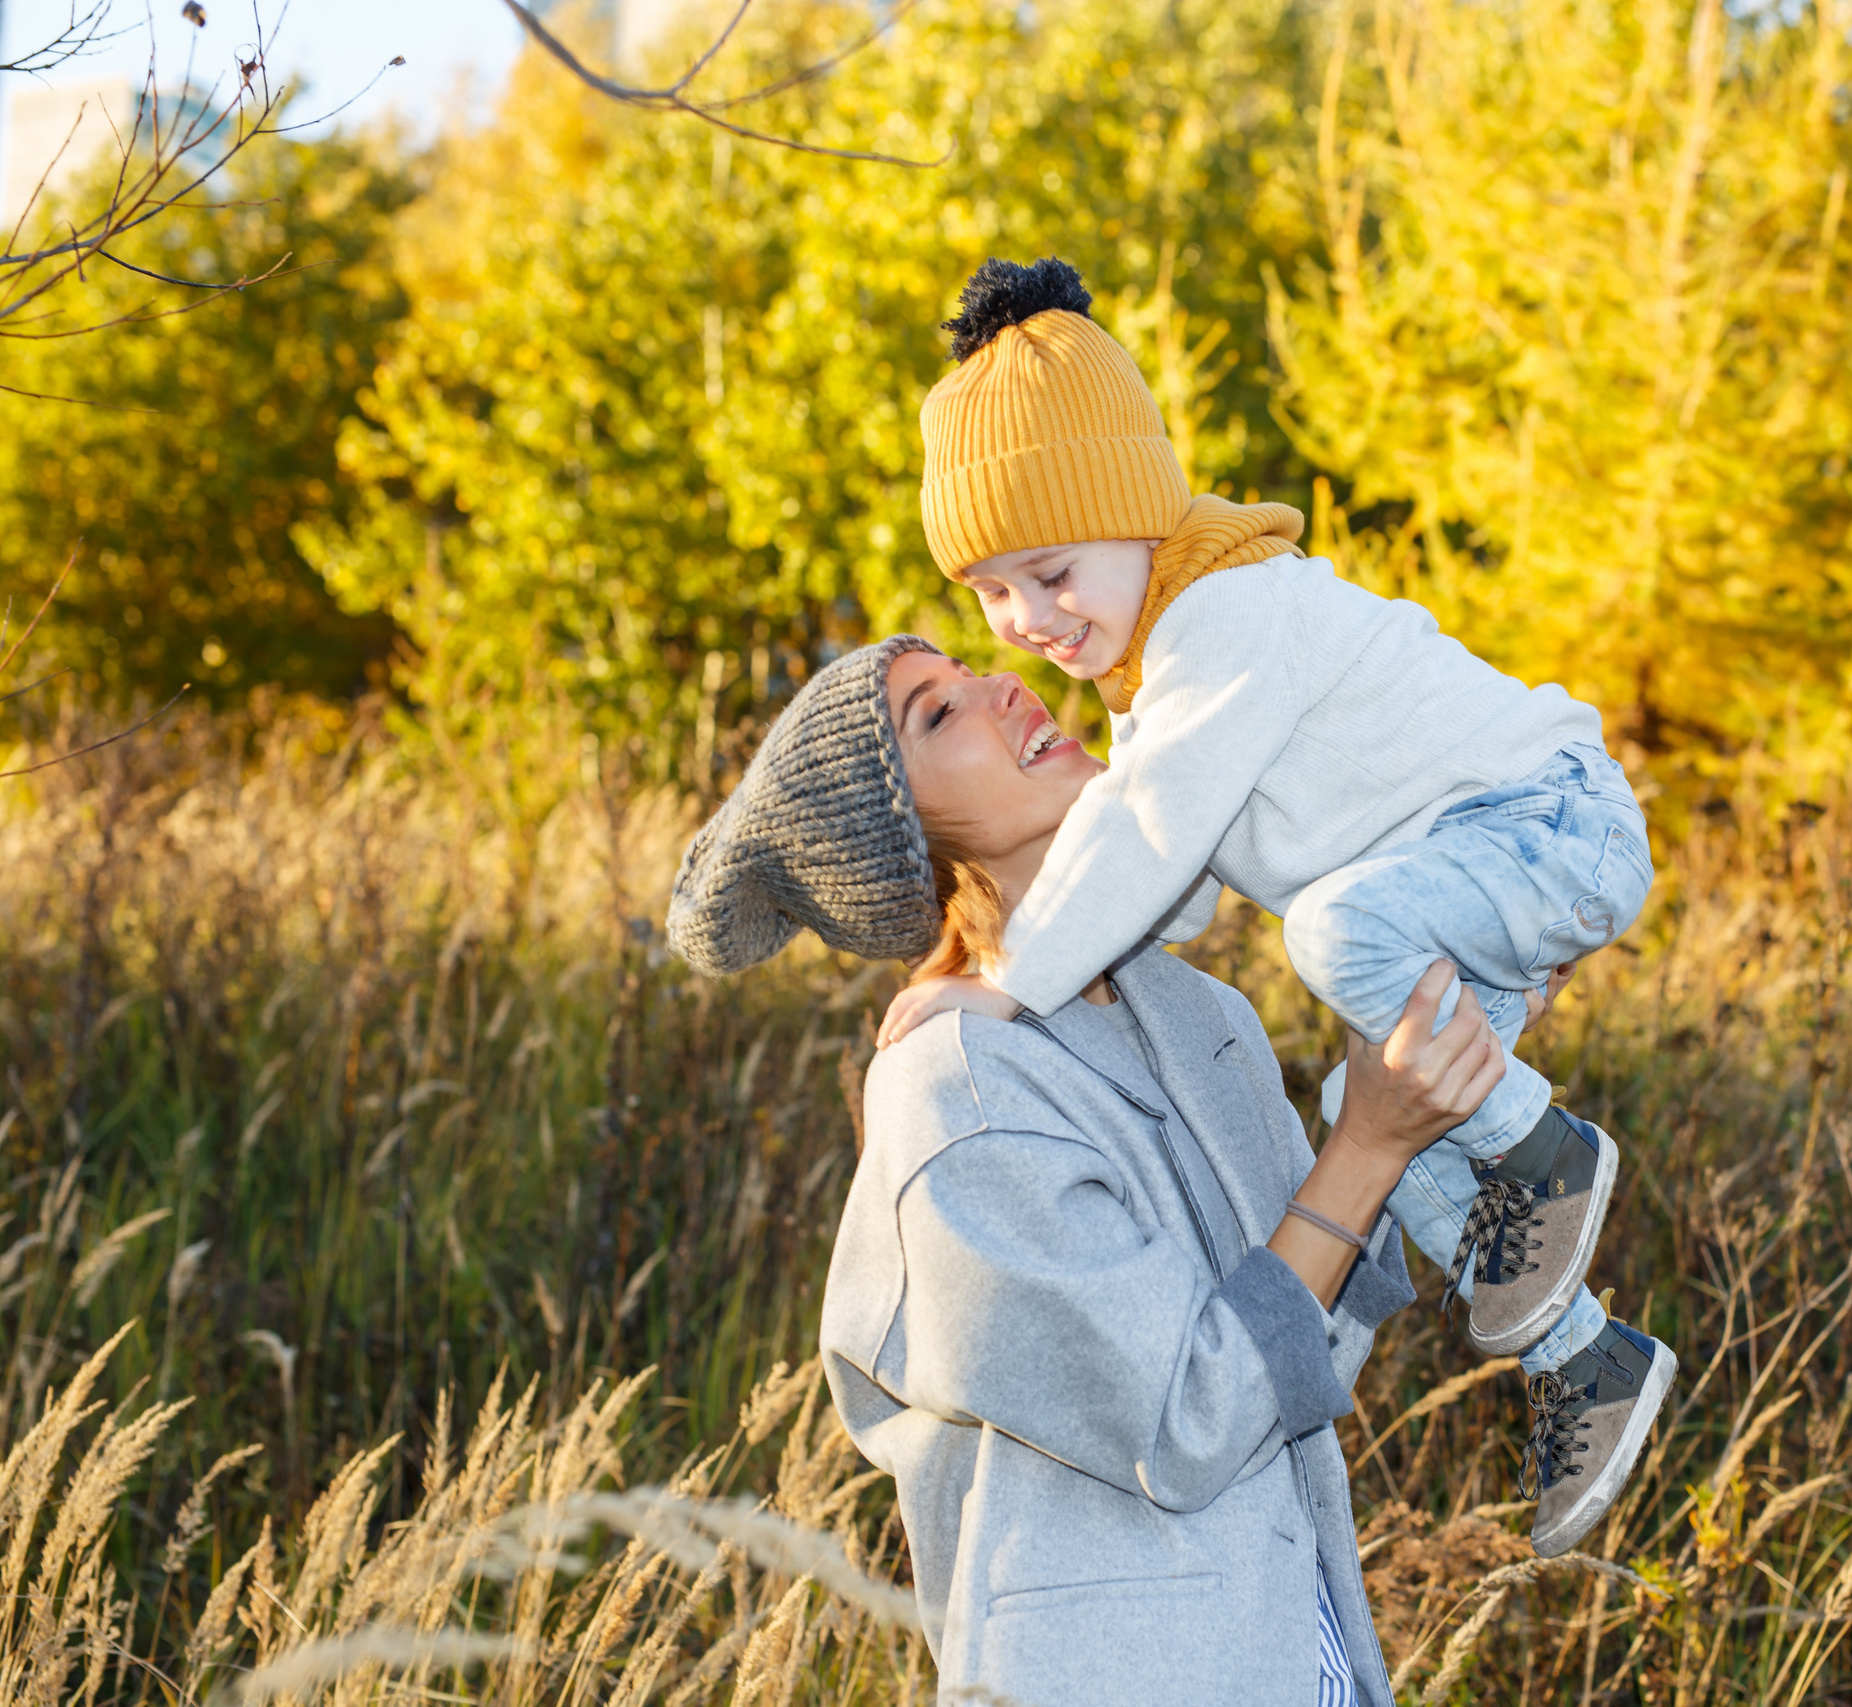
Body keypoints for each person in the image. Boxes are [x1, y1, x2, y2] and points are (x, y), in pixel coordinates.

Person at [871, 256, 1673, 1554]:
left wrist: (1003, 990)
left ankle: (1543, 1144)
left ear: (1139, 509)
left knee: (1327, 937)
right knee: (1364, 1115)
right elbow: (1172, 894)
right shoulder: (1157, 686)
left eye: (1053, 570)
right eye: (989, 592)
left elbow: (1145, 834)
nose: (1026, 619)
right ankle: (1584, 1359)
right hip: (1452, 883)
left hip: (1542, 816)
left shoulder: (1229, 616)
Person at [665, 635, 1526, 1703]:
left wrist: (1474, 1008)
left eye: (971, 671)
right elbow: (1193, 1420)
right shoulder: (957, 1093)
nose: (1005, 688)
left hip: (1304, 1659)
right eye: (937, 715)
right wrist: (1368, 1145)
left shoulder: (1199, 1015)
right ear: (900, 845)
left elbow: (1319, 1338)